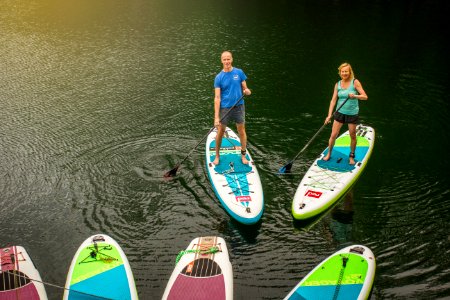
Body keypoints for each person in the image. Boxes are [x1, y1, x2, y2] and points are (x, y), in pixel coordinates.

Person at [323, 62, 368, 165]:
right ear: (340, 72)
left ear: (350, 72)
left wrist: (355, 96)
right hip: (339, 112)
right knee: (333, 135)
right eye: (342, 71)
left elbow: (365, 96)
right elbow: (333, 100)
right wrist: (329, 115)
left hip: (352, 113)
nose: (344, 73)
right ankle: (329, 153)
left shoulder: (355, 82)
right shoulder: (337, 84)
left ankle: (351, 156)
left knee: (352, 135)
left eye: (346, 71)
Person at [213, 51, 251, 165]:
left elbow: (245, 88)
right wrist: (216, 117)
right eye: (224, 59)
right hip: (225, 109)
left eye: (228, 59)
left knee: (241, 130)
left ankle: (243, 154)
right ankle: (217, 156)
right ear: (221, 61)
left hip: (239, 107)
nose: (226, 61)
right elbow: (217, 97)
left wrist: (247, 91)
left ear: (232, 59)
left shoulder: (239, 72)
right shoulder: (218, 77)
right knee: (220, 131)